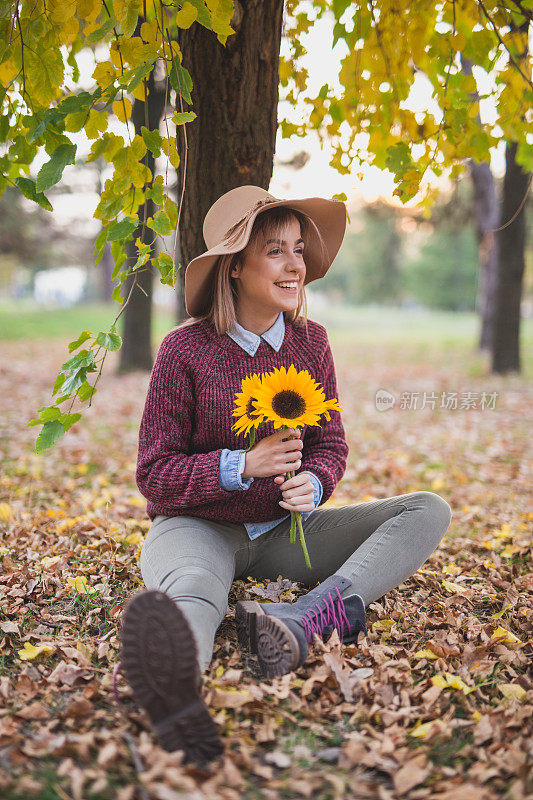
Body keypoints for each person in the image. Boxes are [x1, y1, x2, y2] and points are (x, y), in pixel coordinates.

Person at [117, 185, 452, 766]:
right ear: (236, 266)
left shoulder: (310, 342)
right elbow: (154, 473)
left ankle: (307, 618)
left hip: (281, 534)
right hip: (197, 528)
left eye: (299, 249)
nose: (295, 263)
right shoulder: (185, 350)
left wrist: (316, 483)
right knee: (196, 590)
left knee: (427, 509)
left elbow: (331, 444)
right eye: (275, 250)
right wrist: (239, 466)